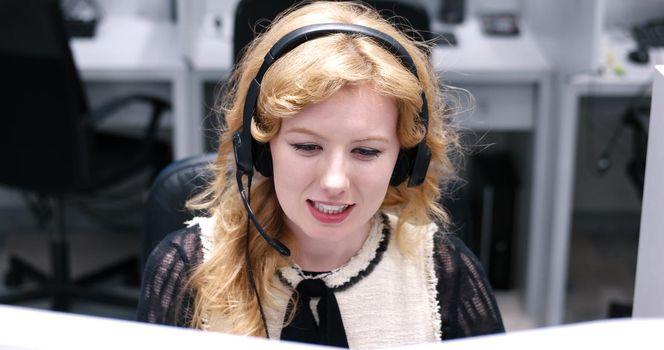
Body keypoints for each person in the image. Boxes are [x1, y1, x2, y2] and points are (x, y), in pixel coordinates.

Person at [137, 1, 504, 348]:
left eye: (366, 151)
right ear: (260, 150)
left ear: (406, 160)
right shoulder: (186, 268)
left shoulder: (445, 273)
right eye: (307, 147)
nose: (334, 182)